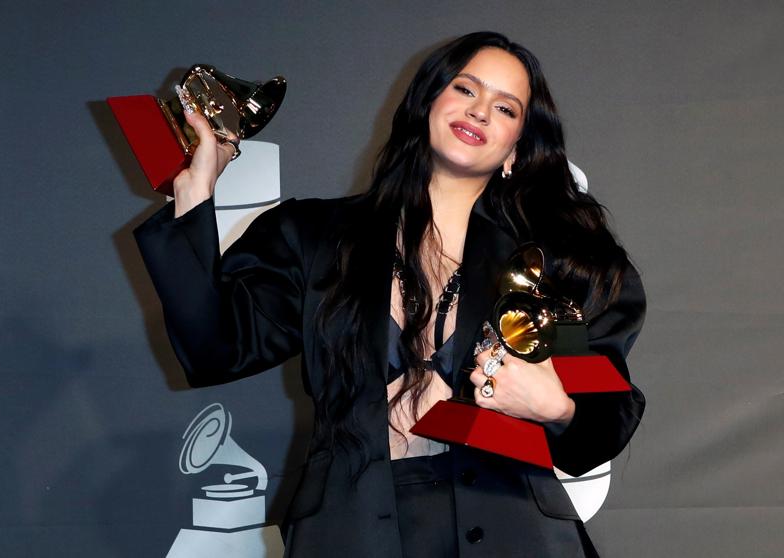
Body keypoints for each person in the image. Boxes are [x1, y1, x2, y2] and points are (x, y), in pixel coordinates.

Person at [134, 31, 646, 558]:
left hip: (512, 531)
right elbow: (213, 347)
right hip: (349, 529)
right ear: (428, 99)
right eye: (465, 89)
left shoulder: (553, 265)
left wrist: (558, 407)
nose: (480, 112)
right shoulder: (314, 236)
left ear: (517, 146)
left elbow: (605, 411)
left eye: (506, 107)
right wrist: (194, 194)